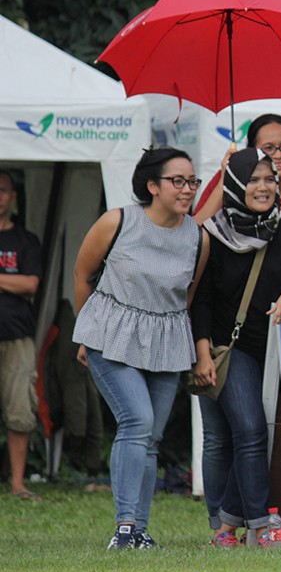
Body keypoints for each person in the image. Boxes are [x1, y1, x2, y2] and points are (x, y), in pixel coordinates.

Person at [72, 147, 209, 549]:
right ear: (152, 186)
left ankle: (139, 531)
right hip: (110, 334)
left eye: (192, 181)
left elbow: (188, 295)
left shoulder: (198, 237)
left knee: (151, 437)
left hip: (166, 339)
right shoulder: (117, 221)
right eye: (177, 181)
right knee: (137, 421)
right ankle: (124, 528)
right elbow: (82, 273)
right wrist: (86, 332)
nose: (187, 189)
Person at [190, 148, 281, 548]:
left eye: (269, 179)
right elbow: (200, 300)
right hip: (232, 348)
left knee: (259, 434)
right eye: (253, 179)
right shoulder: (212, 234)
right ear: (234, 184)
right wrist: (203, 353)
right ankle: (262, 526)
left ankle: (227, 527)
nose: (263, 187)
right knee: (248, 429)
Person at [193, 114, 281, 233]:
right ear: (251, 150)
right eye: (269, 148)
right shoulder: (227, 181)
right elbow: (194, 233)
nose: (279, 155)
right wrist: (225, 179)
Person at [0, 169, 43, 501]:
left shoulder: (26, 241)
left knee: (19, 409)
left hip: (16, 335)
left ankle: (18, 483)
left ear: (13, 197)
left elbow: (30, 284)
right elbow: (19, 282)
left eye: (2, 190)